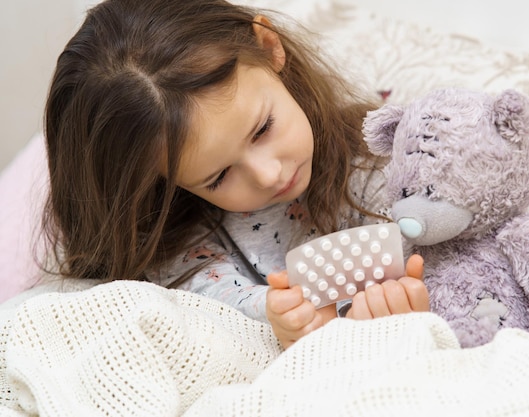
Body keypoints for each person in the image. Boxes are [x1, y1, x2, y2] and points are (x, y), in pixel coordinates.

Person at [42, 0, 429, 348]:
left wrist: (412, 307)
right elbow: (209, 298)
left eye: (263, 129)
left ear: (269, 48)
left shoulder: (388, 157)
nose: (269, 175)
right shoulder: (183, 239)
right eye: (218, 177)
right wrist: (279, 315)